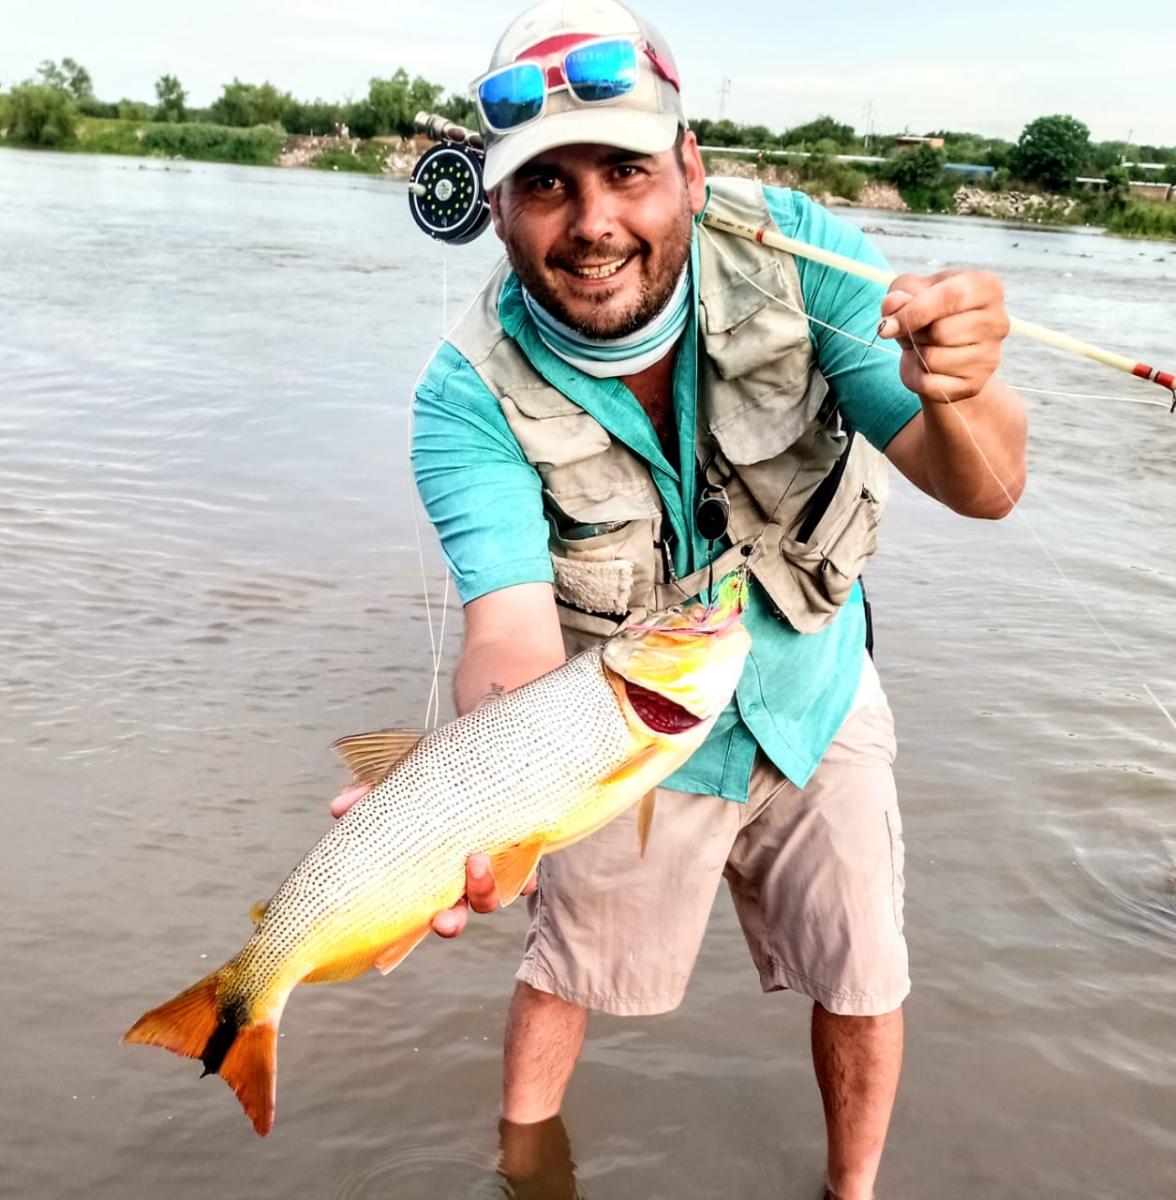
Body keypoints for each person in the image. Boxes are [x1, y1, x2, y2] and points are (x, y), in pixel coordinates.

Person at [334, 2, 1027, 1196]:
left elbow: (989, 491)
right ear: (491, 206)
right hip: (609, 729)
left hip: (814, 686)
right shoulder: (462, 398)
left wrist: (959, 391)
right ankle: (524, 1171)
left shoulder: (809, 259)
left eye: (626, 169)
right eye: (544, 183)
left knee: (868, 975)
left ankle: (851, 1190)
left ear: (691, 167)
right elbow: (508, 636)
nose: (594, 221)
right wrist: (469, 804)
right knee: (564, 968)